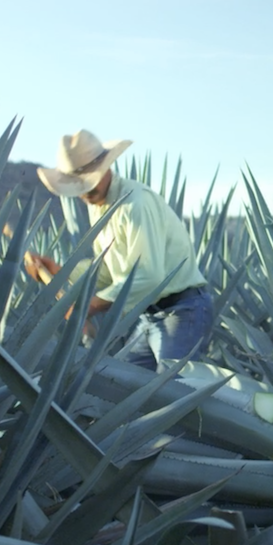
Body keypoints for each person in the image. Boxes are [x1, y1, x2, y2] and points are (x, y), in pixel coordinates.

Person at [24, 129, 213, 371]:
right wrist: (60, 271)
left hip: (182, 311)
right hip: (146, 315)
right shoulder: (99, 205)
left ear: (107, 166)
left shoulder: (136, 204)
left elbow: (147, 275)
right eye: (78, 187)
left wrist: (89, 307)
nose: (85, 193)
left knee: (169, 397)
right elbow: (108, 268)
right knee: (125, 391)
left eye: (89, 182)